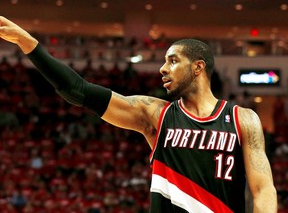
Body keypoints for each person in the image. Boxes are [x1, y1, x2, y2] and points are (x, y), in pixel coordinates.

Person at [0, 16, 277, 213]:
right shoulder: (156, 114)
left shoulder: (242, 118)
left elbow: (263, 191)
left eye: (172, 60)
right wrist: (29, 44)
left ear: (198, 67)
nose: (162, 69)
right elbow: (78, 90)